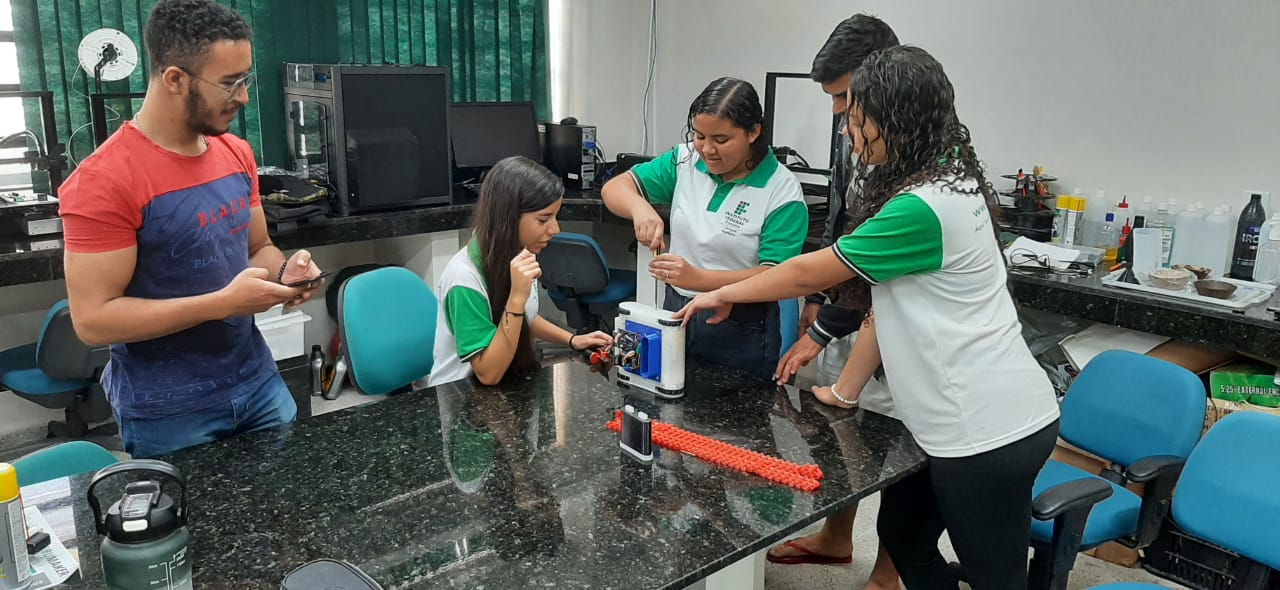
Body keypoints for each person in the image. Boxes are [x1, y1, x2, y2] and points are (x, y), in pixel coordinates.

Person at [677, 46, 1061, 589]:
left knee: (993, 575)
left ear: (897, 122)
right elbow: (880, 302)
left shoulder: (923, 207)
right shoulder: (950, 178)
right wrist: (842, 382)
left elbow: (809, 272)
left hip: (985, 428)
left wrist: (725, 291)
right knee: (905, 542)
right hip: (956, 419)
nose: (847, 131)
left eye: (857, 119)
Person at [59, 0, 322, 459]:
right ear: (175, 78)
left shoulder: (236, 153)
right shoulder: (103, 181)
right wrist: (221, 304)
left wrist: (287, 275)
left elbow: (258, 247)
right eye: (230, 83)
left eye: (246, 79)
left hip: (257, 383)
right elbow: (93, 321)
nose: (243, 97)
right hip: (169, 409)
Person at [765, 16, 902, 590]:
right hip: (847, 308)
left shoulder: (910, 148)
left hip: (892, 326)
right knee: (836, 426)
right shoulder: (852, 133)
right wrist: (819, 307)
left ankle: (889, 573)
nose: (837, 112)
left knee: (894, 449)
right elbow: (840, 226)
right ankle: (836, 536)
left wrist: (822, 328)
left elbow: (875, 266)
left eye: (844, 97)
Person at [602, 77, 807, 380]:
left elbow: (778, 276)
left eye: (721, 140)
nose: (707, 149)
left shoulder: (782, 191)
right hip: (677, 308)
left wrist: (700, 279)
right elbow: (615, 188)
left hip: (741, 321)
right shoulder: (685, 160)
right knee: (669, 392)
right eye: (699, 136)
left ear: (753, 132)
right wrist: (639, 208)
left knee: (732, 408)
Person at [428, 156, 612, 387]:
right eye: (543, 220)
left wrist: (572, 340)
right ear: (508, 219)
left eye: (555, 217)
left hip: (507, 386)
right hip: (461, 395)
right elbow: (488, 373)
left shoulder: (516, 253)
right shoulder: (464, 279)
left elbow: (524, 318)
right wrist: (516, 297)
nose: (555, 229)